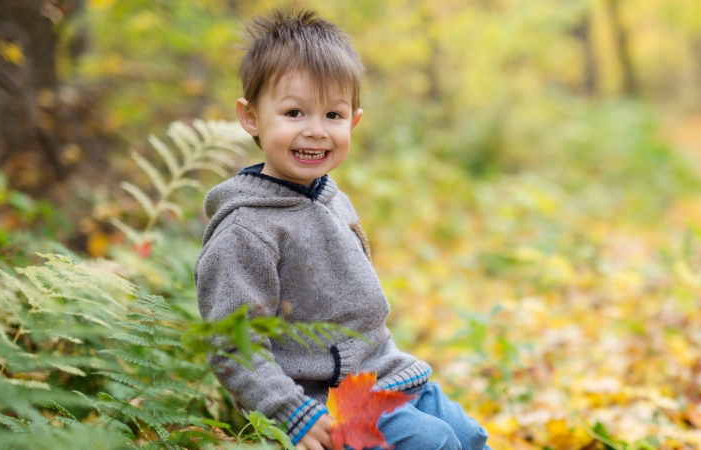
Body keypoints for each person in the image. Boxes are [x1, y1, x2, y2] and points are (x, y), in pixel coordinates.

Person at [194, 8, 490, 450]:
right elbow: (231, 344)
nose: (316, 131)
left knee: (468, 436)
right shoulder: (246, 229)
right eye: (294, 112)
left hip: (385, 375)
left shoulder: (330, 196)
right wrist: (289, 410)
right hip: (323, 403)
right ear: (251, 117)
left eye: (333, 115)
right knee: (434, 443)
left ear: (353, 120)